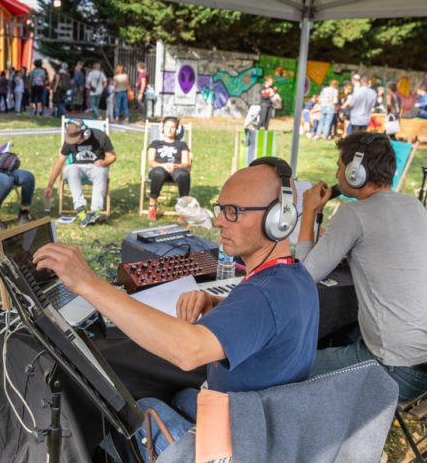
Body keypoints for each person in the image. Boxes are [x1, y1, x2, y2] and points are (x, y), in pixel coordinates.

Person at [33, 159, 318, 461]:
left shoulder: (261, 296)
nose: (219, 221)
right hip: (266, 424)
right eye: (221, 208)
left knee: (139, 411)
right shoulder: (294, 277)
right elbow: (269, 324)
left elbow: (188, 352)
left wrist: (88, 283)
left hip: (242, 446)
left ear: (280, 220)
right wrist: (218, 306)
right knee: (182, 396)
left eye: (233, 212)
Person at [296, 132, 427, 401]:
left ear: (356, 174)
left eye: (340, 168)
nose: (337, 174)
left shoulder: (353, 213)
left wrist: (309, 212)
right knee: (340, 331)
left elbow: (303, 276)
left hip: (396, 371)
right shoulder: (414, 205)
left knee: (289, 366)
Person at [43, 118, 116, 227]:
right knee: (69, 169)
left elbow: (113, 156)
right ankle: (80, 209)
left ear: (85, 132)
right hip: (77, 167)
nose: (75, 142)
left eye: (77, 139)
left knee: (102, 172)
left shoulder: (100, 136)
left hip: (96, 167)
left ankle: (96, 211)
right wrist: (50, 185)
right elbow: (59, 163)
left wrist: (105, 162)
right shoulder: (69, 141)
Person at [146, 117, 191, 220]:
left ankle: (183, 208)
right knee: (158, 172)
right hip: (159, 170)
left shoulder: (182, 144)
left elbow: (186, 163)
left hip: (176, 171)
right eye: (167, 127)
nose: (170, 129)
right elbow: (151, 162)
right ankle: (152, 206)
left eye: (173, 127)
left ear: (177, 130)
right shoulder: (155, 143)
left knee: (184, 174)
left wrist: (176, 166)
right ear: (163, 128)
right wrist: (163, 165)